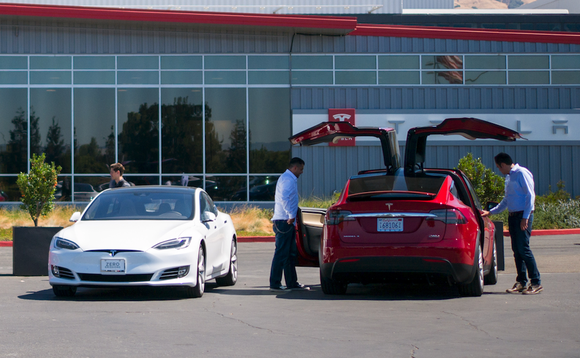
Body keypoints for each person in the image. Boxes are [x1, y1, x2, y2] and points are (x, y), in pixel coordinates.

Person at [482, 152, 542, 295]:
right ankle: (521, 281)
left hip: (522, 215)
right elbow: (507, 200)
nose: (499, 170)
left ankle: (536, 282)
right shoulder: (509, 177)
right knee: (516, 250)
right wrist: (491, 212)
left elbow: (530, 195)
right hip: (513, 216)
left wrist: (525, 217)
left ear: (503, 164)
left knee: (524, 249)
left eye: (498, 167)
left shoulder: (521, 173)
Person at [269, 157, 309, 292]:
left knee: (290, 253)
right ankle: (275, 283)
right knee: (281, 253)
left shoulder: (289, 178)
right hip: (284, 221)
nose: (302, 172)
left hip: (285, 221)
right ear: (295, 167)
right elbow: (284, 198)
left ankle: (292, 282)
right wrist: (291, 215)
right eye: (301, 169)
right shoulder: (288, 179)